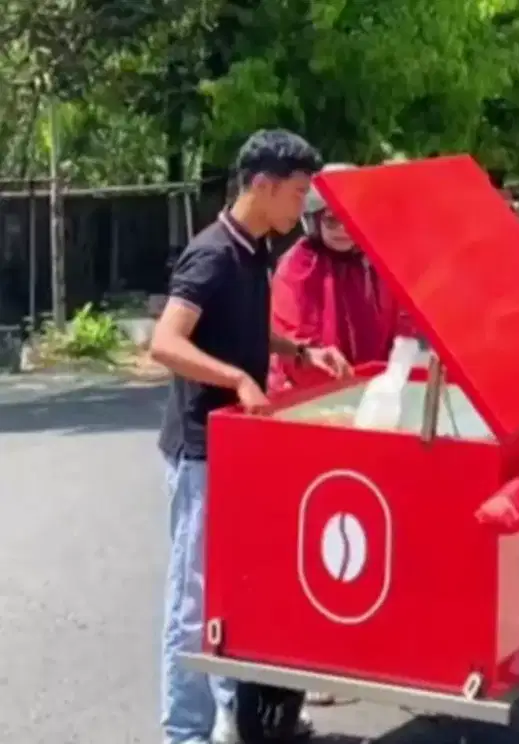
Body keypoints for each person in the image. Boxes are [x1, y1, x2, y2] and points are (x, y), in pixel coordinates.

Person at [150, 129, 351, 744]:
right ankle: (185, 732)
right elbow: (166, 342)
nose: (303, 208)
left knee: (237, 592)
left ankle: (231, 717)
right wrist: (237, 378)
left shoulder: (254, 248)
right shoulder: (212, 254)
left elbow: (238, 326)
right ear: (261, 186)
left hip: (239, 449)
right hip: (202, 448)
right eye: (297, 193)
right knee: (194, 601)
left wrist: (299, 350)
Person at [268, 163, 414, 396]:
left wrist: (392, 377)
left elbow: (403, 325)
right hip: (308, 395)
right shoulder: (298, 266)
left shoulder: (378, 260)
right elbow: (294, 342)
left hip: (372, 389)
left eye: (350, 218)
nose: (343, 229)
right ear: (314, 220)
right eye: (332, 220)